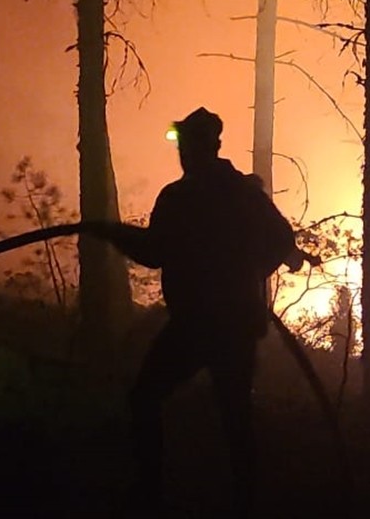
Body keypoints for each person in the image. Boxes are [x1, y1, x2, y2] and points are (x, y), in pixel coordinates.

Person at [89, 107, 303, 513]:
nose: (185, 153)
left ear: (210, 146)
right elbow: (279, 241)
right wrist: (255, 272)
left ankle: (155, 493)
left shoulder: (188, 197)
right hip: (225, 324)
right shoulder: (232, 194)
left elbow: (153, 252)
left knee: (153, 399)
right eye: (183, 145)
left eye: (191, 144)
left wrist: (114, 234)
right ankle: (236, 498)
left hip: (207, 325)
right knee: (231, 414)